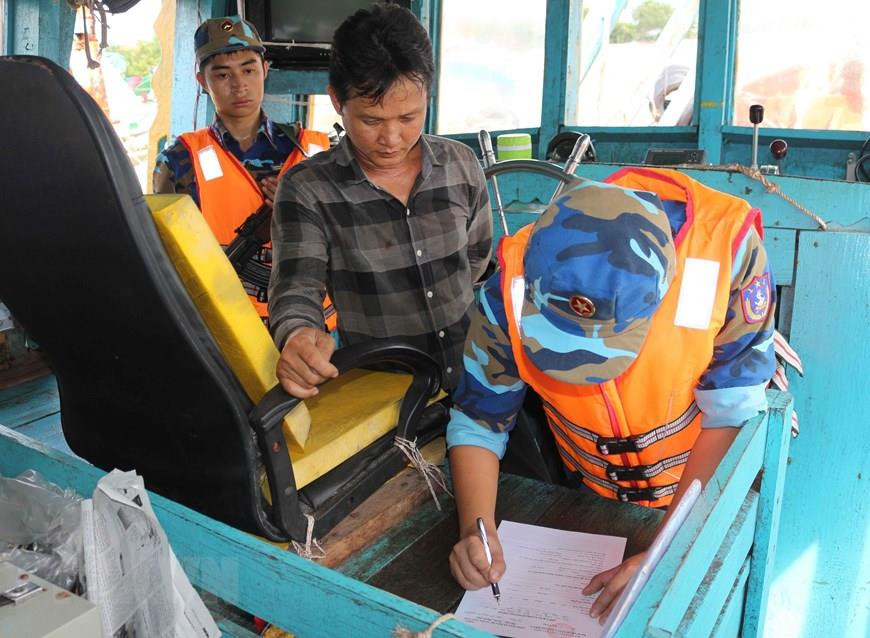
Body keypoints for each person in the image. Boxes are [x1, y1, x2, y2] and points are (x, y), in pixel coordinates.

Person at [446, 169, 777, 623]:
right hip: (591, 496)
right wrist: (475, 529)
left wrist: (666, 552)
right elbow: (479, 418)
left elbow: (731, 414)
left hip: (702, 491)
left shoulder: (728, 253)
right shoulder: (512, 285)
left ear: (661, 295)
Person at [268, 3, 492, 398]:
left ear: (428, 94)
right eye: (371, 121)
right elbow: (296, 287)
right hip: (378, 397)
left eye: (409, 118)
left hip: (475, 379)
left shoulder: (460, 165)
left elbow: (475, 259)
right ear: (337, 100)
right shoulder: (308, 189)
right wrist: (300, 334)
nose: (391, 138)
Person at [153, 16, 331, 320]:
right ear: (202, 82)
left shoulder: (317, 150)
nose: (239, 85)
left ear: (264, 69)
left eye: (248, 70)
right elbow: (173, 261)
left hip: (314, 322)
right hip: (228, 325)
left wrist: (299, 208)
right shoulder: (180, 160)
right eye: (222, 75)